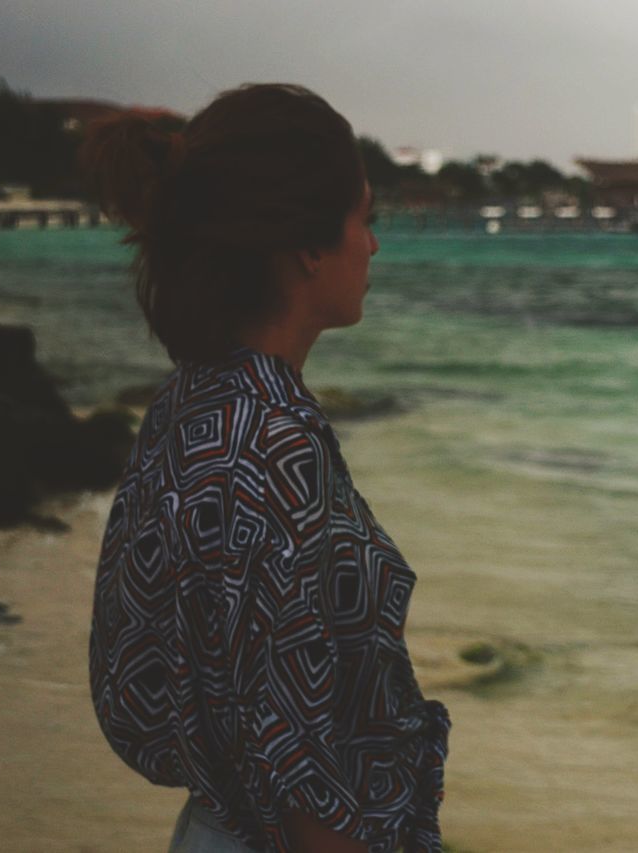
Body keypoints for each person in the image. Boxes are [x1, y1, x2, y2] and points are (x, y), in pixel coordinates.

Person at [83, 84, 449, 853]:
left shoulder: (189, 402)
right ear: (309, 245)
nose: (374, 245)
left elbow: (147, 674)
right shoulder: (278, 444)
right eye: (365, 218)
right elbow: (301, 765)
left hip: (211, 828)